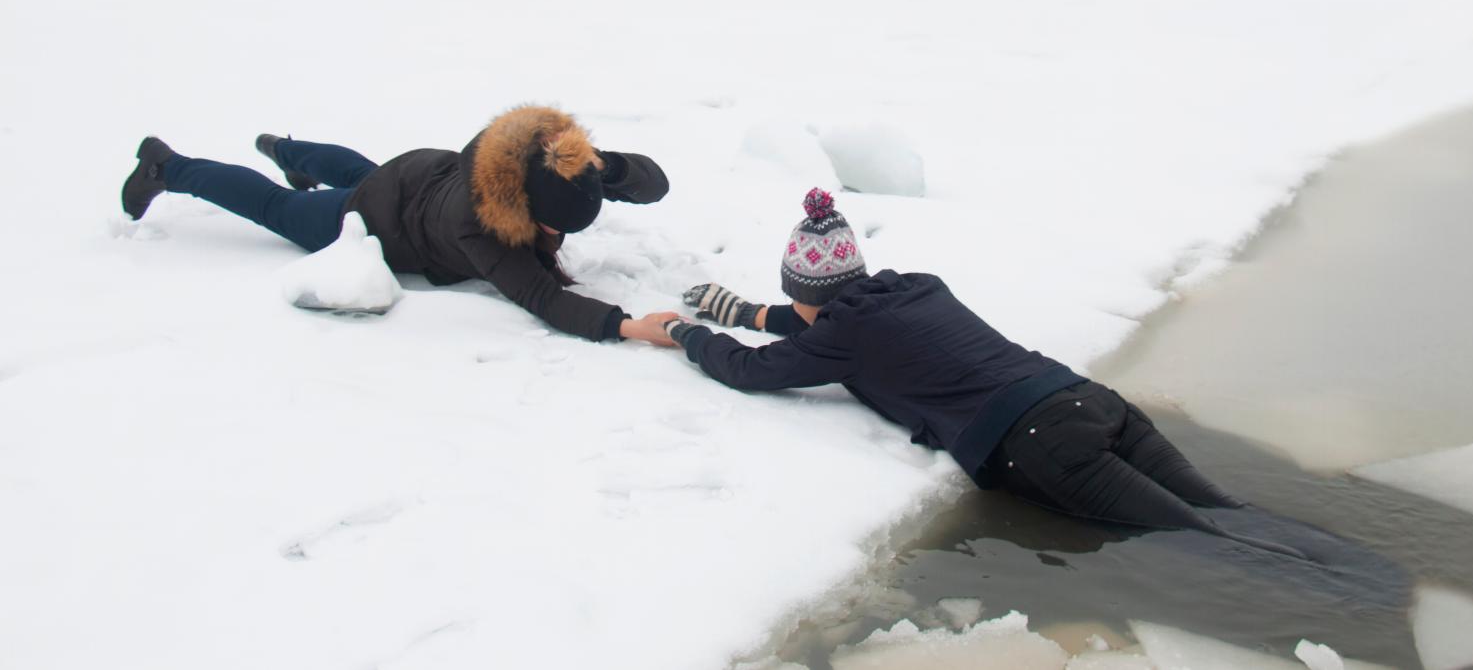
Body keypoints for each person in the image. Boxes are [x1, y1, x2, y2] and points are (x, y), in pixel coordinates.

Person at [661, 188, 1305, 557]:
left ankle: (1348, 595)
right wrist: (739, 308)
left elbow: (750, 370)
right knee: (1224, 510)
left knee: (1213, 545)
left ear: (807, 292)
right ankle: (1376, 571)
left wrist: (684, 333)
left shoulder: (841, 336)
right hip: (1090, 400)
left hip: (1041, 444)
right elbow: (824, 326)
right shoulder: (915, 287)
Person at [120, 104, 680, 345]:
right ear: (526, 212)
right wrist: (630, 327)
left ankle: (288, 149)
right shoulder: (481, 228)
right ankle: (166, 166)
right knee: (277, 209)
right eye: (554, 232)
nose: (557, 242)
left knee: (362, 171)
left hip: (418, 174)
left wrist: (604, 166)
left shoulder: (544, 162)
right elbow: (542, 297)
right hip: (378, 218)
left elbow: (656, 185)